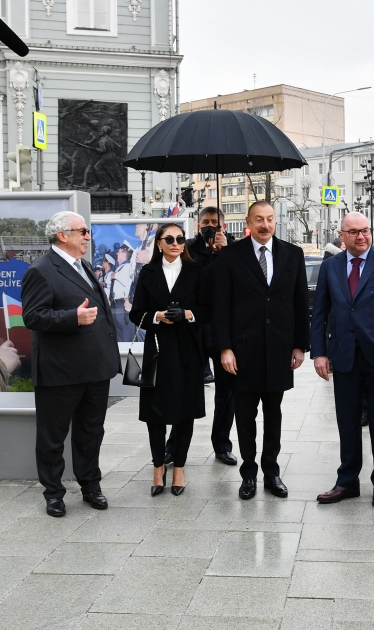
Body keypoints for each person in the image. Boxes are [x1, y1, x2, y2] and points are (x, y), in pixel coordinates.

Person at [311, 211, 374, 509]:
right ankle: (347, 481)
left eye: (365, 231)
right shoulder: (330, 267)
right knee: (347, 420)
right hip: (343, 354)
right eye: (354, 232)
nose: (361, 236)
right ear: (342, 236)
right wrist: (319, 352)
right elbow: (320, 313)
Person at [21, 211, 121, 517]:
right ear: (62, 235)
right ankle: (53, 493)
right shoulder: (41, 270)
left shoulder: (84, 267)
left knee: (91, 431)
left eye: (87, 231)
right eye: (83, 231)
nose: (88, 236)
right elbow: (32, 316)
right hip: (60, 370)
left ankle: (91, 485)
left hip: (94, 368)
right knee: (52, 436)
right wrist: (71, 318)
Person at [213, 201, 310, 500]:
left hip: (279, 350)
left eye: (269, 219)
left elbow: (300, 302)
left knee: (274, 414)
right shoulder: (230, 256)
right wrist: (225, 348)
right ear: (248, 222)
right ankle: (249, 473)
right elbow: (221, 306)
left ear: (275, 220)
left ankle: (272, 472)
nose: (265, 225)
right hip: (242, 352)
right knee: (244, 415)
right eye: (259, 220)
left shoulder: (293, 254)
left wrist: (299, 345)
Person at [129, 224, 211, 495]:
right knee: (156, 414)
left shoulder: (196, 271)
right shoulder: (148, 272)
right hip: (158, 349)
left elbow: (208, 309)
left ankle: (179, 469)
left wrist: (187, 314)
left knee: (185, 413)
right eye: (170, 239)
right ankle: (157, 468)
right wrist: (157, 316)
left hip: (188, 350)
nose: (176, 243)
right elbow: (136, 312)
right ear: (159, 244)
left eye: (180, 239)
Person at [171, 206, 238, 466]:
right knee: (185, 389)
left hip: (223, 331)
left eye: (215, 221)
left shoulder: (234, 249)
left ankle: (222, 444)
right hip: (194, 329)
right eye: (206, 221)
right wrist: (210, 255)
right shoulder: (187, 248)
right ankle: (174, 445)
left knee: (227, 392)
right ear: (198, 225)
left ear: (223, 224)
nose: (210, 225)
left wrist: (225, 251)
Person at [107, 242, 136, 341]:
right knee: (119, 336)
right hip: (116, 305)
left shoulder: (129, 267)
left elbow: (131, 282)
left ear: (124, 254)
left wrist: (116, 276)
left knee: (127, 336)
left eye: (119, 252)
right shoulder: (120, 268)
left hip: (123, 305)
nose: (117, 254)